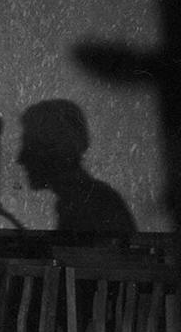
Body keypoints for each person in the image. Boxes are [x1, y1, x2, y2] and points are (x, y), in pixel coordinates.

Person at [17, 100, 136, 238]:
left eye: (30, 145)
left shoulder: (89, 207)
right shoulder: (89, 201)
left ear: (54, 149)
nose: (20, 158)